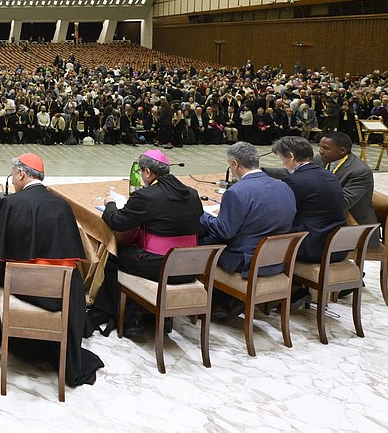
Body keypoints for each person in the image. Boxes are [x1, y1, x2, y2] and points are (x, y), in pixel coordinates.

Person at [0, 153, 104, 387]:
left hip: (24, 289)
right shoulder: (62, 205)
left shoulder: (9, 204)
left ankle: (3, 337)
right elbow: (75, 258)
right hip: (64, 293)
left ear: (20, 174)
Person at [92, 149, 205, 330]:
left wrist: (109, 204)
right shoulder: (191, 193)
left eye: (141, 172)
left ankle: (127, 317)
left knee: (115, 255)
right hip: (190, 266)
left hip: (162, 266)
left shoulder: (147, 196)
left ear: (147, 172)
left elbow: (117, 222)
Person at [200, 141, 296, 320]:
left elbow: (224, 231)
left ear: (235, 164)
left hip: (246, 262)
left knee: (201, 245)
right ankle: (227, 300)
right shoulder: (284, 186)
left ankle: (215, 302)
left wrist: (202, 215)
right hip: (277, 260)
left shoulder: (236, 191)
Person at [269, 135, 345, 263]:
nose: (282, 163)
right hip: (337, 245)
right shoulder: (329, 175)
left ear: (291, 157)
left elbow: (279, 213)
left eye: (282, 159)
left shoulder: (294, 181)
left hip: (311, 248)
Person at [315, 132, 380, 248]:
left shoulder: (360, 172)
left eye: (325, 148)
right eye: (320, 146)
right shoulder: (320, 160)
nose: (320, 151)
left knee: (303, 242)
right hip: (328, 220)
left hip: (355, 229)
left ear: (342, 151)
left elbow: (342, 203)